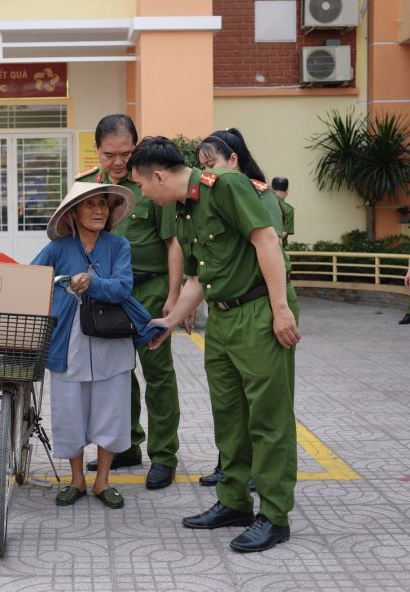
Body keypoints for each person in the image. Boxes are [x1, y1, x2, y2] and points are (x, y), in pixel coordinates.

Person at [128, 136, 301, 553]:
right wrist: (168, 320)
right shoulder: (184, 209)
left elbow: (266, 242)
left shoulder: (225, 186)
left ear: (157, 176)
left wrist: (281, 309)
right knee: (229, 414)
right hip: (222, 318)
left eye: (142, 186)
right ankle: (233, 502)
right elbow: (195, 279)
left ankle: (275, 515)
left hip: (259, 311)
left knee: (268, 416)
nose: (142, 195)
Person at [31, 182, 162, 509]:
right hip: (68, 341)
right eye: (90, 205)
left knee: (110, 410)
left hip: (110, 339)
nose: (99, 210)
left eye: (104, 204)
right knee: (69, 411)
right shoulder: (58, 249)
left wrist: (93, 283)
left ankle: (103, 481)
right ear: (73, 212)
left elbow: (122, 288)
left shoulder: (119, 246)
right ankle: (77, 480)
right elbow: (33, 278)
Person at [76, 114, 183, 490]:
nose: (119, 162)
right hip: (106, 294)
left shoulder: (153, 182)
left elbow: (174, 242)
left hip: (150, 290)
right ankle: (126, 445)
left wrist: (174, 295)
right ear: (97, 151)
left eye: (126, 153)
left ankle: (164, 455)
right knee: (118, 375)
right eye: (110, 154)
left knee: (157, 374)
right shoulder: (85, 186)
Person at [194, 128, 285, 490]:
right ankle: (232, 471)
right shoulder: (213, 195)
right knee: (230, 403)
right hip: (227, 307)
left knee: (261, 405)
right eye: (200, 166)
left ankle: (259, 478)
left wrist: (280, 309)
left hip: (257, 303)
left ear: (234, 160)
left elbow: (270, 244)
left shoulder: (259, 196)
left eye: (211, 163)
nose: (206, 172)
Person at [271, 176, 295, 248]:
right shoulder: (289, 209)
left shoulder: (263, 203)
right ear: (287, 191)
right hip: (278, 248)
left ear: (271, 189)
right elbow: (283, 233)